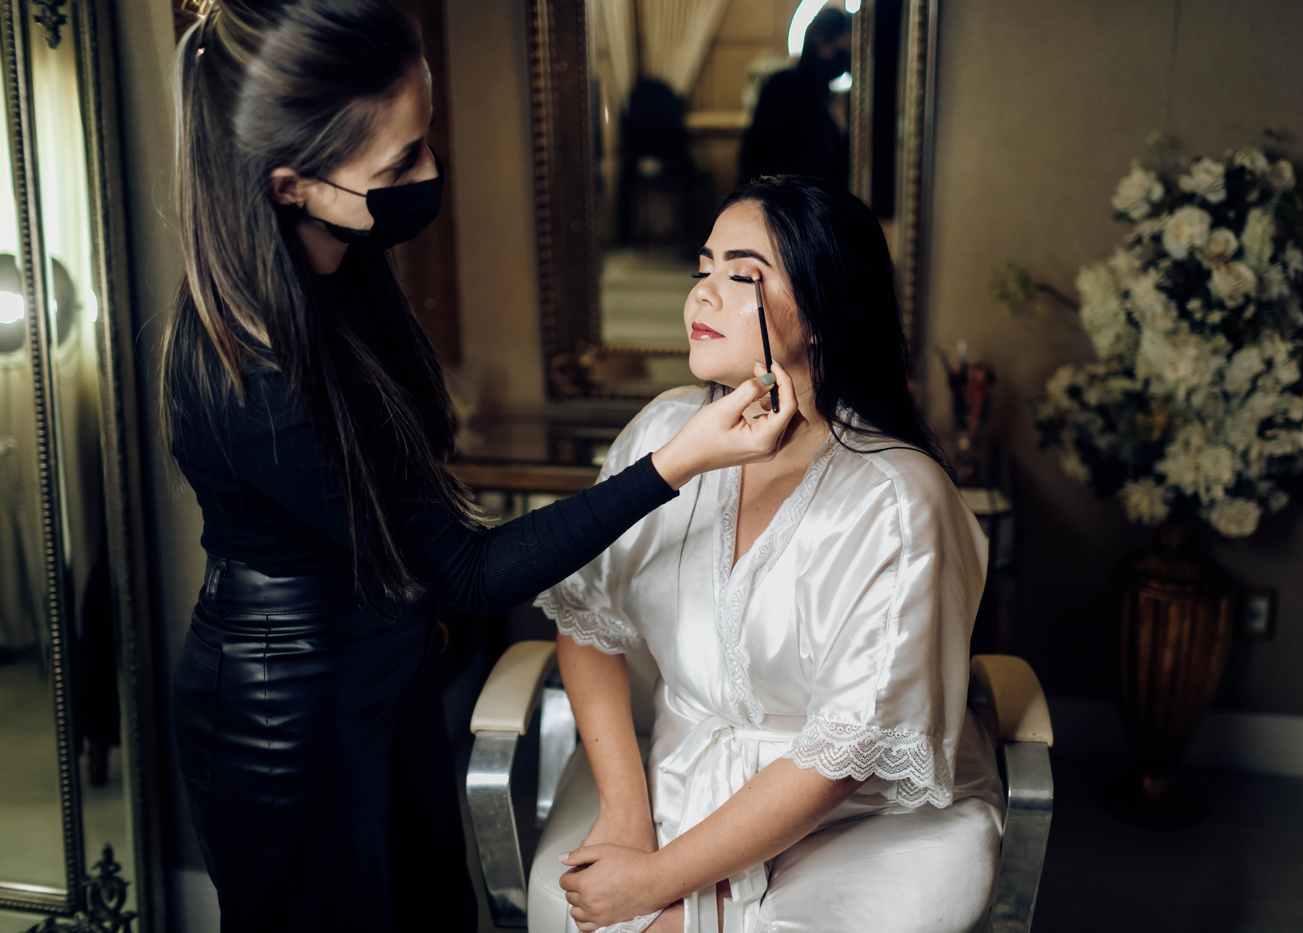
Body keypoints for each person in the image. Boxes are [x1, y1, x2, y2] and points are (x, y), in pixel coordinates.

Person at [159, 3, 796, 930]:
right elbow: (469, 569)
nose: (428, 174)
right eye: (397, 166)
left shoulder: (342, 264)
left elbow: (405, 510)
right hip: (286, 720)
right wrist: (677, 462)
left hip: (385, 676)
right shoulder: (252, 370)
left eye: (427, 139)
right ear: (291, 186)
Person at [540, 176, 1005, 933]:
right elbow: (588, 620)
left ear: (822, 310)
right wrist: (628, 817)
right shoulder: (662, 434)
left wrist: (655, 880)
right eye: (703, 267)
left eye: (742, 275)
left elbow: (841, 756)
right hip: (683, 781)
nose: (701, 293)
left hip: (865, 821)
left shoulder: (897, 499)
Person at [738, 9, 852, 188]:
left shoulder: (824, 96)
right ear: (822, 43)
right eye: (841, 49)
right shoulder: (784, 86)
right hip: (786, 198)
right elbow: (759, 157)